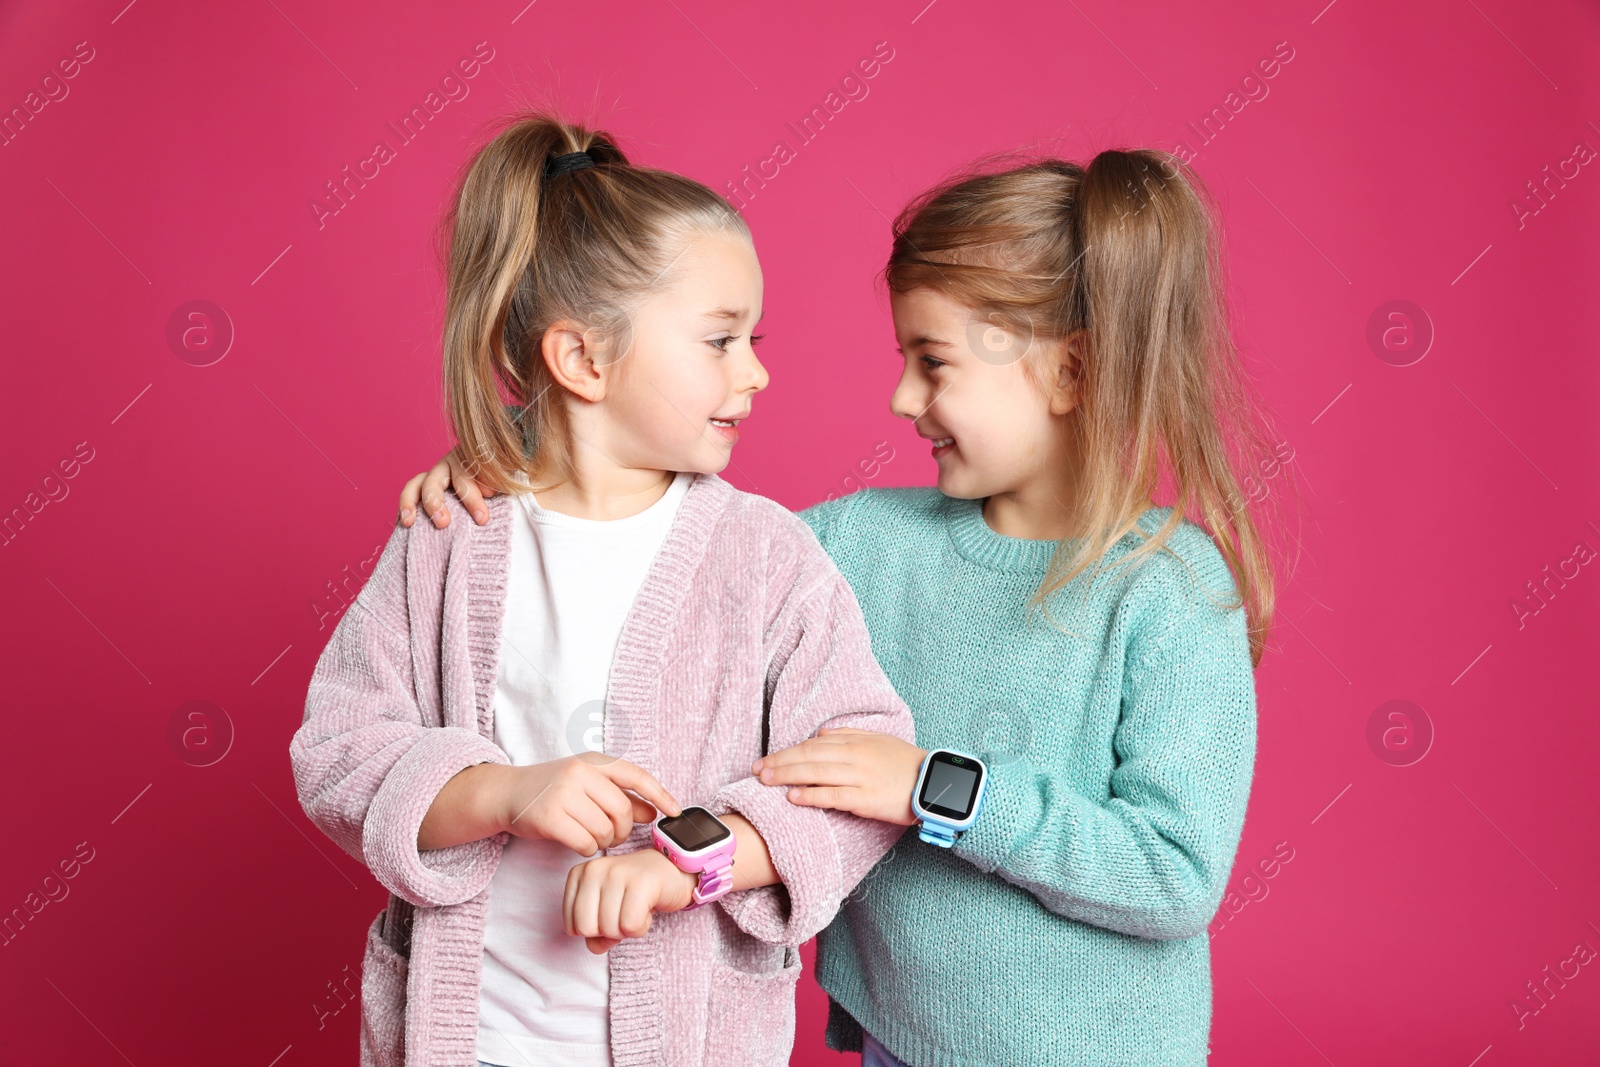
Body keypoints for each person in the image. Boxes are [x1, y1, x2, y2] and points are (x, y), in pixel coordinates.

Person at [399, 147, 1283, 1066]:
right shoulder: (853, 543)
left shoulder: (1171, 586)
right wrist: (510, 471)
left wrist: (933, 788)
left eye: (932, 363)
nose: (902, 398)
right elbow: (680, 531)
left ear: (1071, 370)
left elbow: (1174, 875)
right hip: (898, 1044)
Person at [290, 111, 915, 1067]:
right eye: (719, 339)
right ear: (583, 360)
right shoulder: (449, 540)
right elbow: (339, 751)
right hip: (473, 1040)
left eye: (755, 335)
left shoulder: (766, 557)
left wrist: (692, 869)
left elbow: (856, 780)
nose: (756, 370)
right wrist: (499, 791)